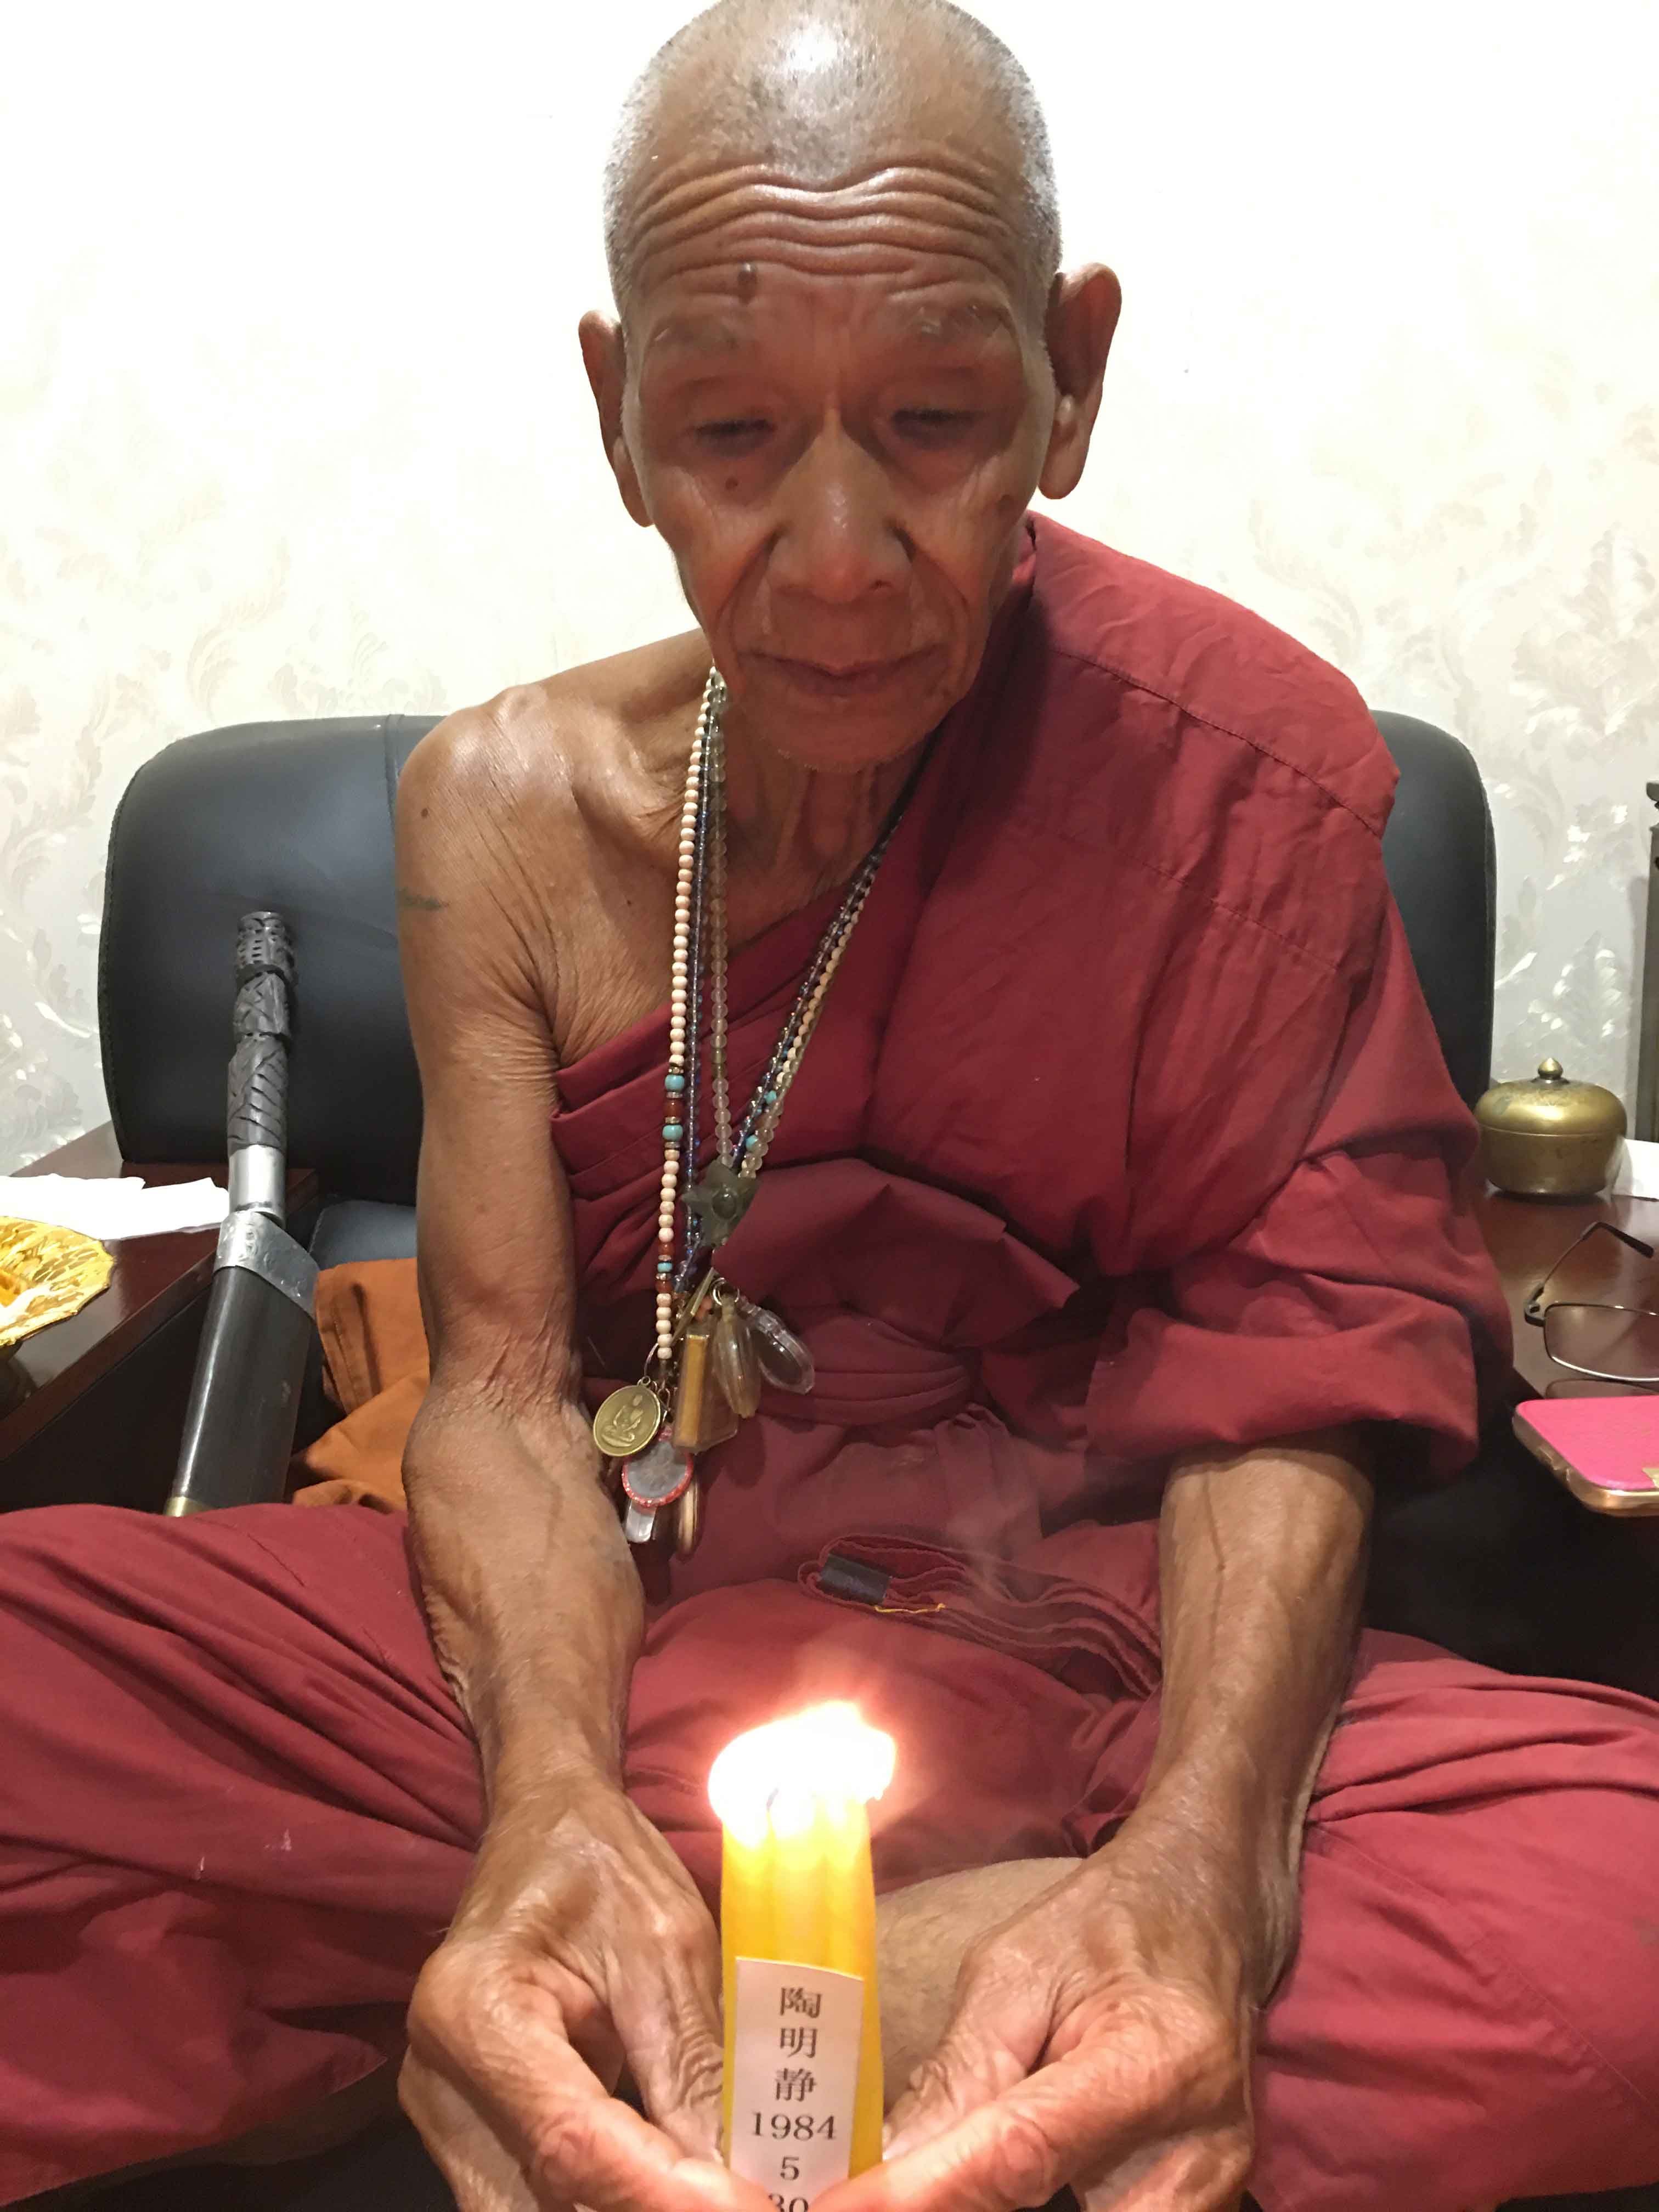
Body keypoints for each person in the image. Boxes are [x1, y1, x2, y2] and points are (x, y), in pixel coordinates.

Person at [3, 4, 1658, 2209]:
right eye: (732, 434)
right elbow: (502, 1404)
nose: (844, 552)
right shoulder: (506, 814)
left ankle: (673, 2029)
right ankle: (805, 2005)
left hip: (1105, 1682)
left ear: (1069, 378)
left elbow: (1289, 1397)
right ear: (618, 417)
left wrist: (1201, 1873)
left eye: (938, 420)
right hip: (631, 1635)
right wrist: (548, 1811)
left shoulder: (1240, 779)